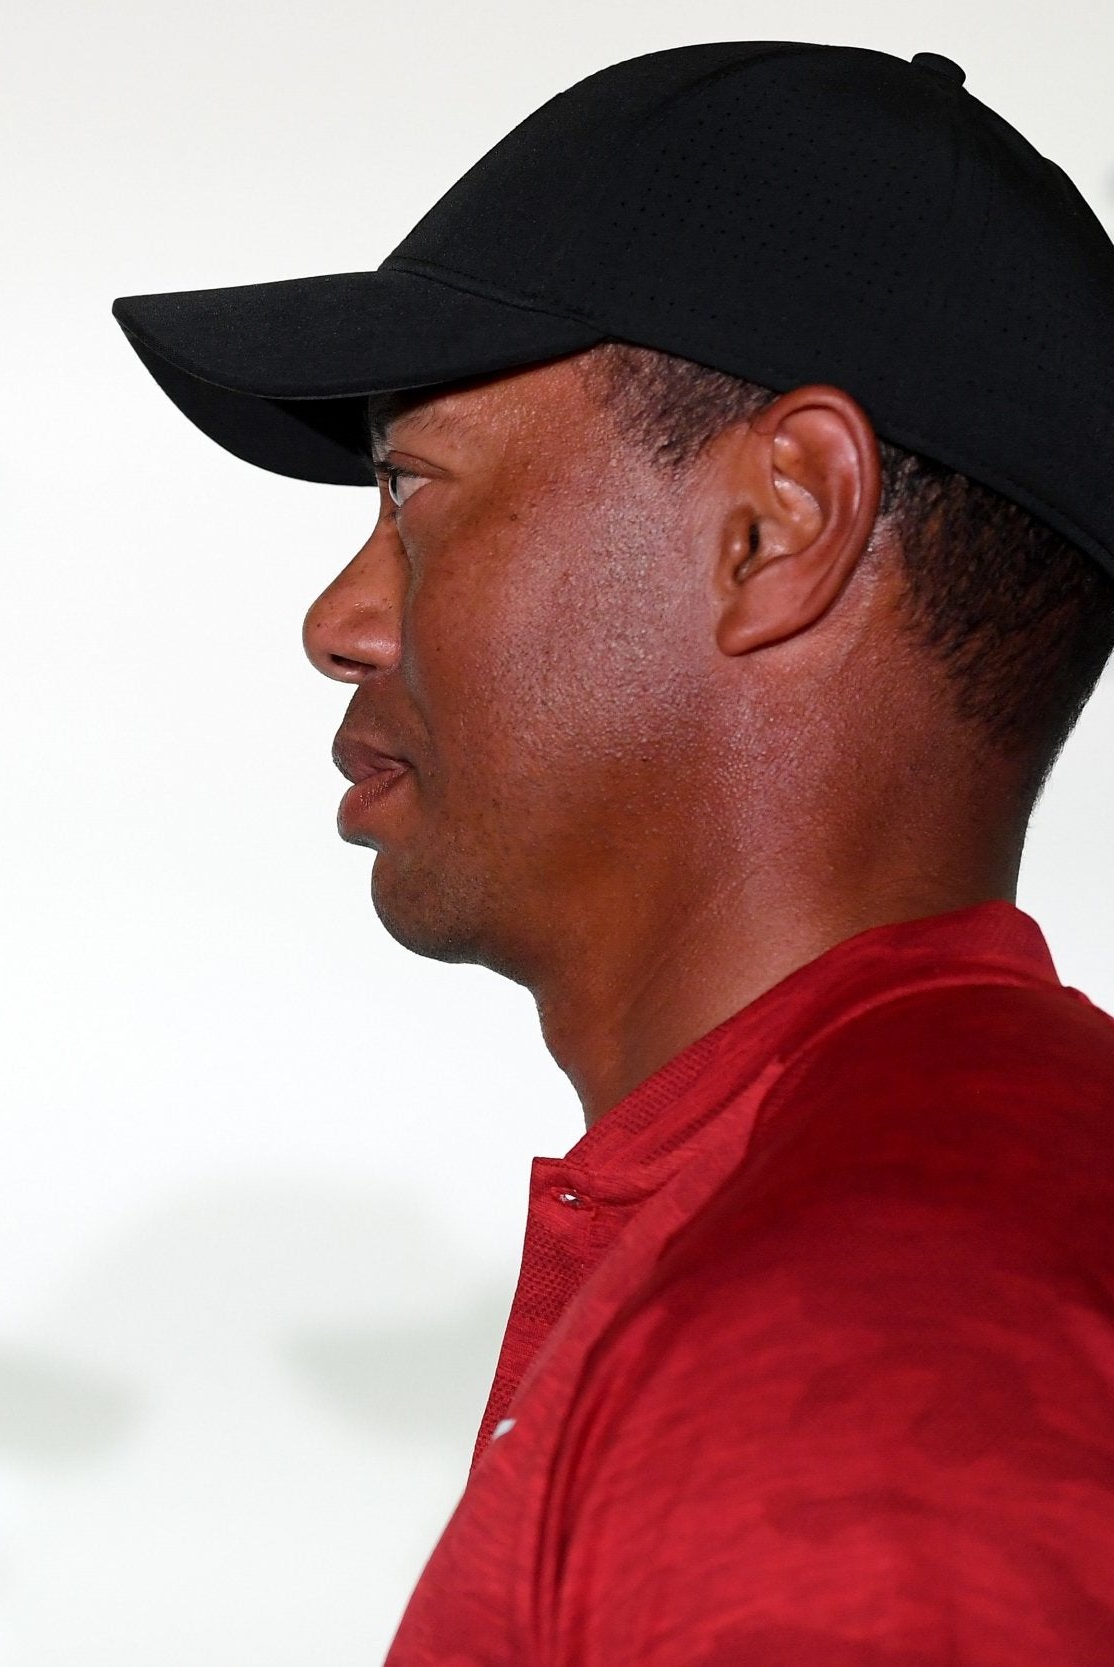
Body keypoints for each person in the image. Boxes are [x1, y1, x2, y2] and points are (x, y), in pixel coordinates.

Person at [116, 41, 1114, 1664]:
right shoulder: (895, 1202)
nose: (340, 618)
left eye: (412, 490)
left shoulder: (869, 1330)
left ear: (776, 527)